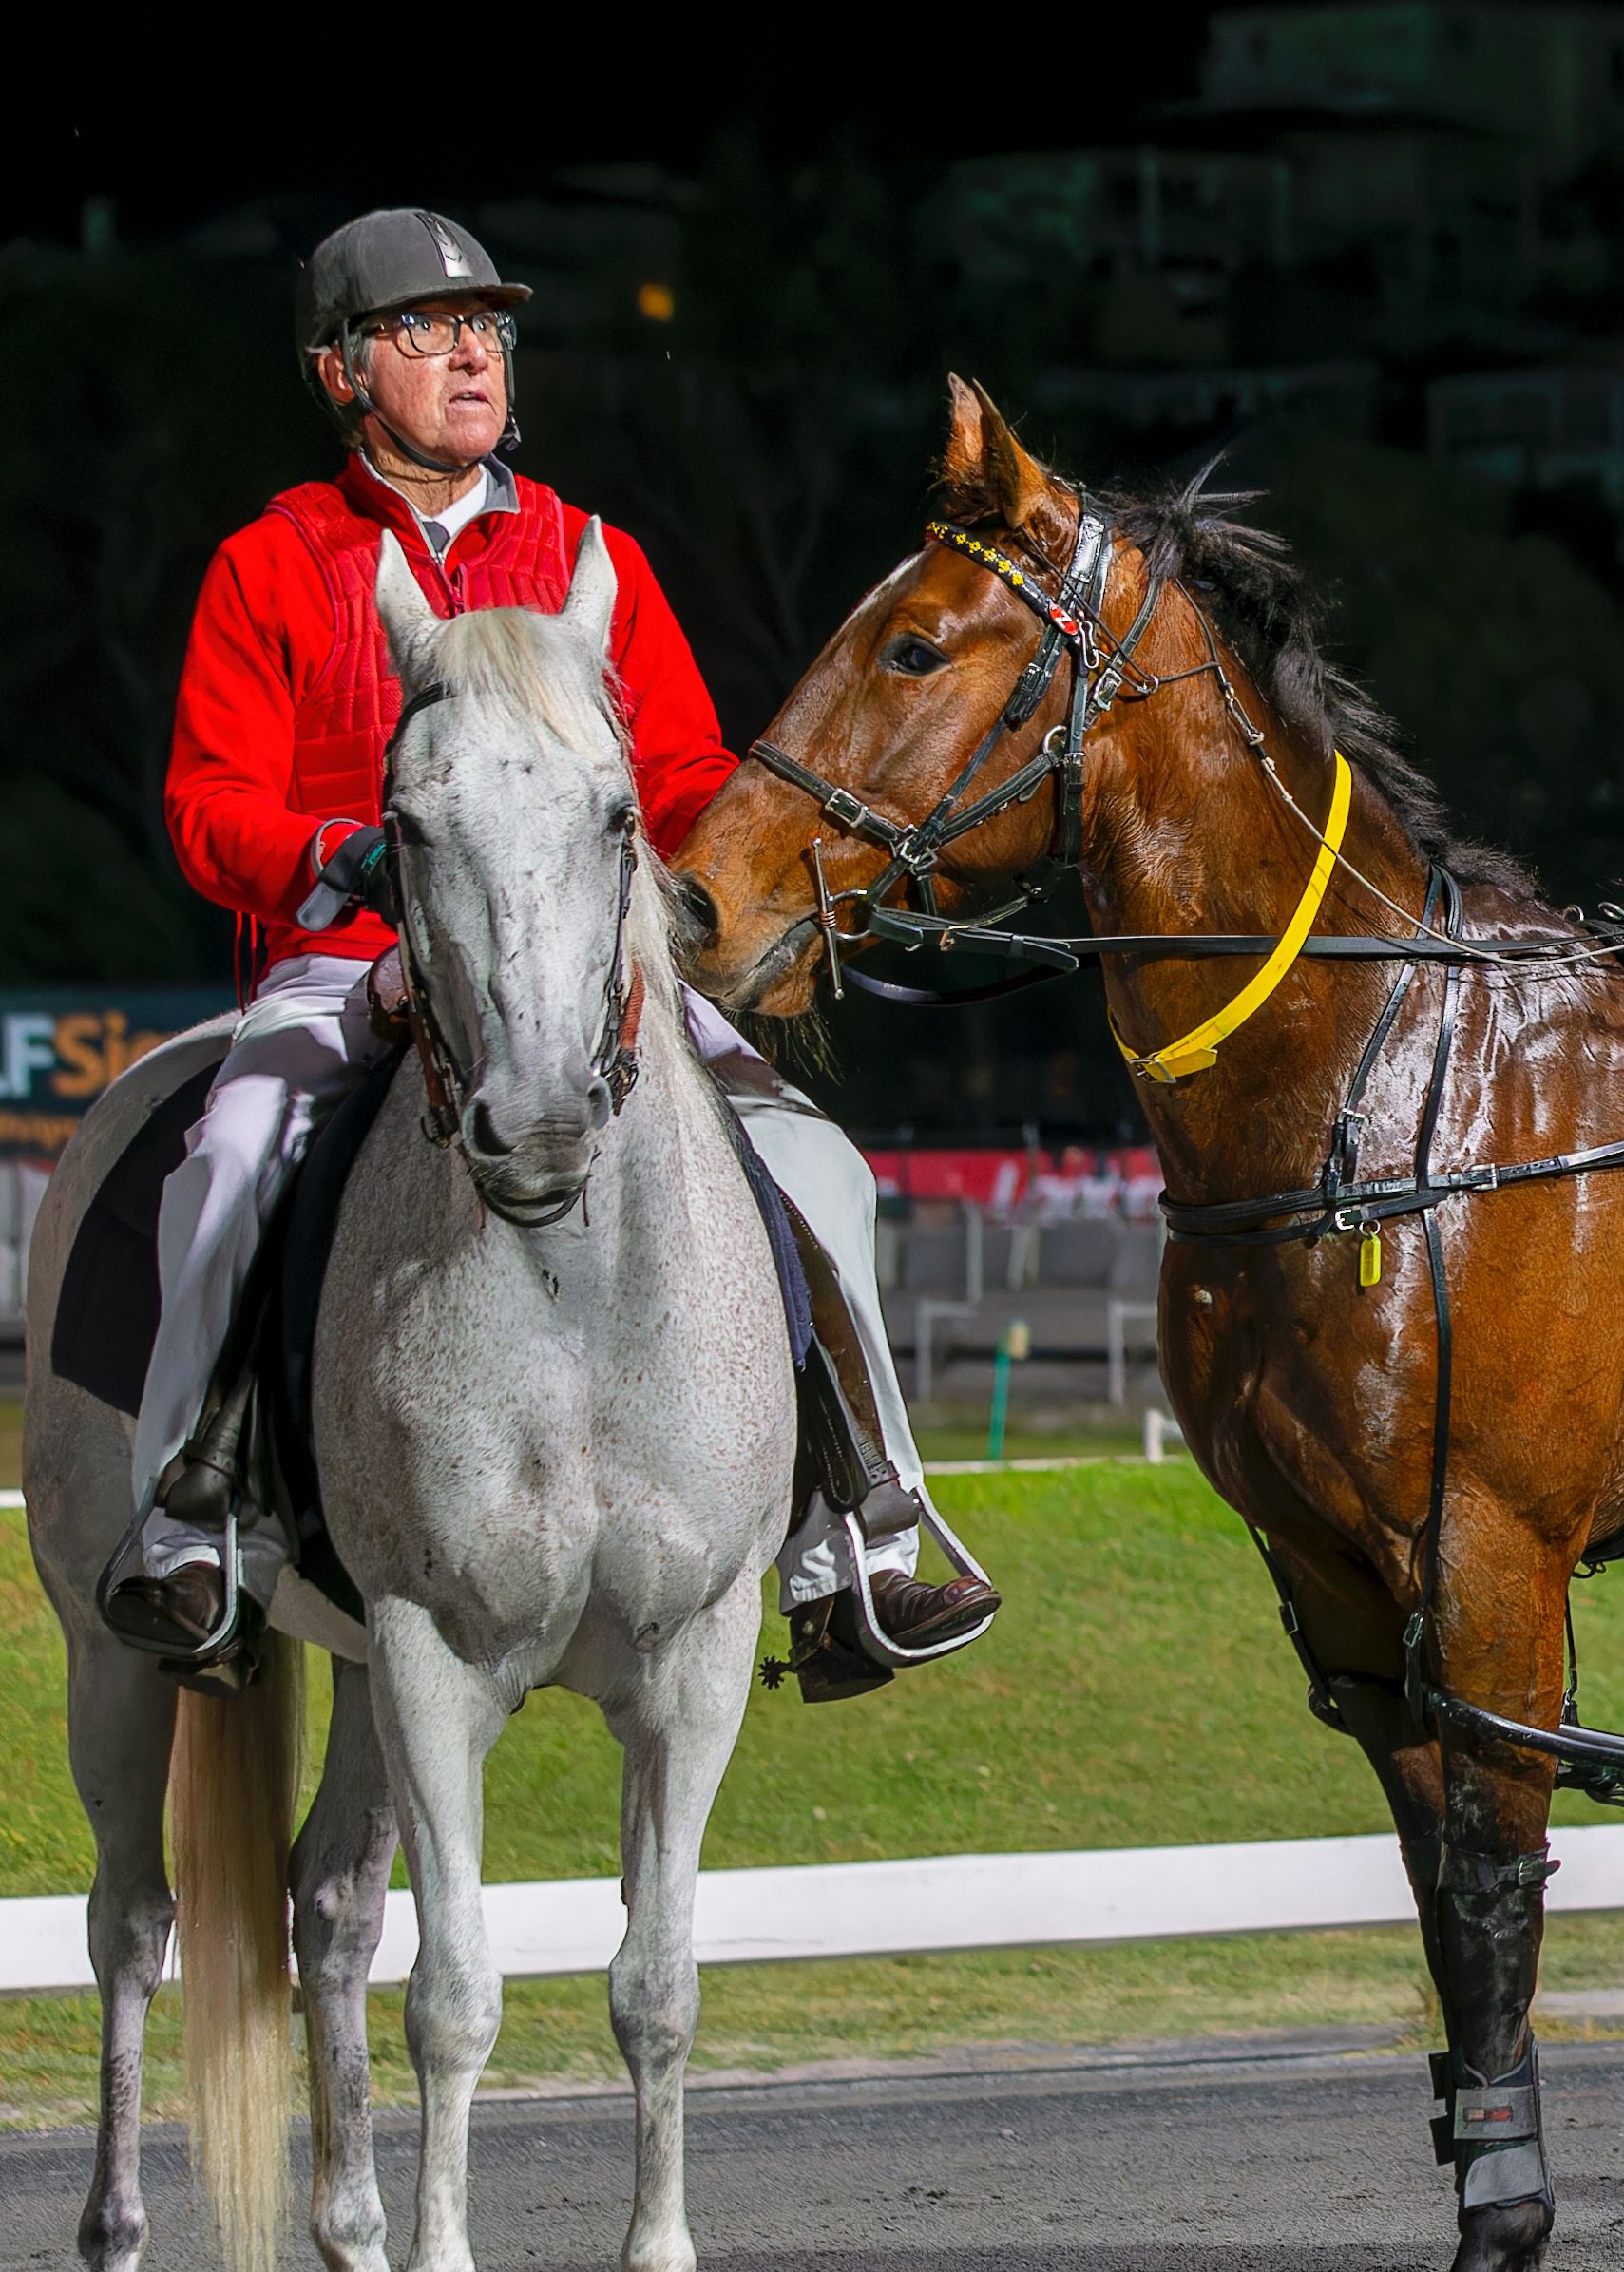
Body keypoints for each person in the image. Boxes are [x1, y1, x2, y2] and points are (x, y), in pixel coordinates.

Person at [110, 207, 993, 1696]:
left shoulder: (591, 554)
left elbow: (690, 772)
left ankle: (867, 1526)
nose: (472, 353)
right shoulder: (272, 562)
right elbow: (207, 805)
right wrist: (340, 858)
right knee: (233, 1157)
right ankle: (197, 1525)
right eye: (425, 329)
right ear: (341, 371)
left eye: (490, 330)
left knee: (820, 1164)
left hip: (589, 970)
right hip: (356, 956)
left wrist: (780, 861)